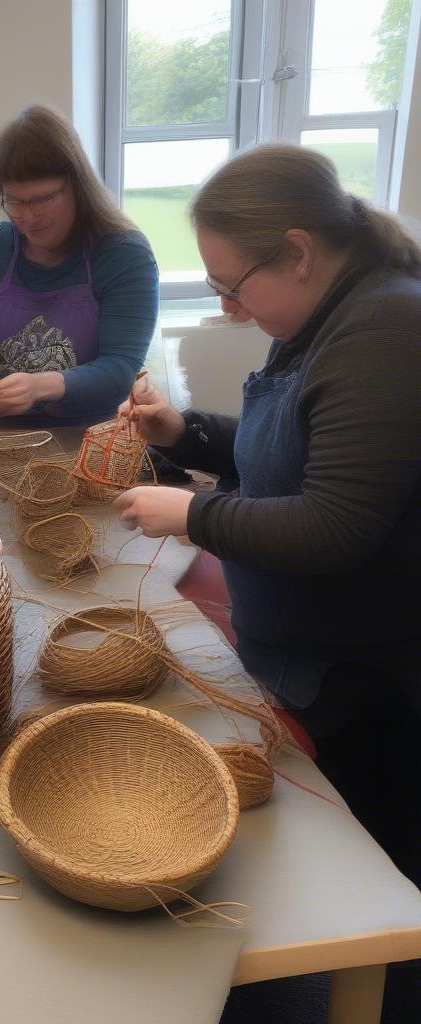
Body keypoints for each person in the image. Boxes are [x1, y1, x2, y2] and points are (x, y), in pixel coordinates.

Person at [114, 143, 421, 887]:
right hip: (303, 661)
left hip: (365, 687)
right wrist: (184, 431)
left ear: (297, 253)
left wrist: (192, 513)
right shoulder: (320, 321)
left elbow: (331, 526)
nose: (228, 307)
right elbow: (283, 453)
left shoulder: (386, 329)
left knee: (369, 878)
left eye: (233, 286)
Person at [0, 104, 159, 424]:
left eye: (42, 199)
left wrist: (40, 385)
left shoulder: (124, 256)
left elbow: (120, 370)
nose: (27, 217)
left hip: (83, 438)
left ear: (78, 188)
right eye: (13, 200)